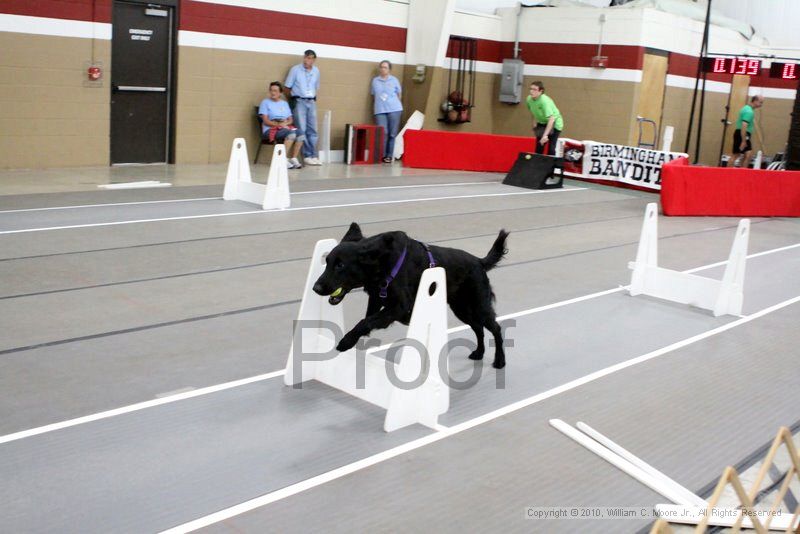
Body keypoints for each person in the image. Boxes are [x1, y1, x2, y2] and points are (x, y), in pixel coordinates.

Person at [284, 49, 321, 165]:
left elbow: (316, 87)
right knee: (302, 129)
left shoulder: (316, 71)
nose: (306, 60)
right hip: (299, 101)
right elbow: (287, 88)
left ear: (313, 60)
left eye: (309, 58)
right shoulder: (295, 70)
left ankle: (313, 154)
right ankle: (306, 155)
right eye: (305, 57)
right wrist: (293, 101)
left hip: (311, 101)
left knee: (313, 129)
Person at [258, 81, 305, 169]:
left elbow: (290, 119)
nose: (273, 93)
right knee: (291, 133)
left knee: (301, 134)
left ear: (280, 93)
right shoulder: (265, 102)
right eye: (271, 90)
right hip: (270, 129)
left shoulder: (284, 103)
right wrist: (279, 125)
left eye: (275, 91)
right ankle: (282, 159)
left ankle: (293, 158)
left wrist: (285, 124)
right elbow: (265, 121)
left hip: (284, 127)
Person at [370, 60, 403, 163]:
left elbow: (399, 94)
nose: (383, 69)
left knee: (392, 134)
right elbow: (373, 95)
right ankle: (381, 155)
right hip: (380, 110)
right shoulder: (375, 81)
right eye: (381, 67)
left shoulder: (394, 80)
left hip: (394, 109)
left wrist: (392, 103)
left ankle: (389, 155)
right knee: (383, 132)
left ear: (389, 70)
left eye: (385, 67)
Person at [526, 81, 563, 156]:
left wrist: (545, 135)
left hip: (555, 123)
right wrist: (534, 123)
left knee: (551, 149)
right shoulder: (529, 99)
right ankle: (538, 166)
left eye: (534, 89)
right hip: (542, 123)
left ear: (541, 91)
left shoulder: (544, 101)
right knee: (539, 146)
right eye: (531, 89)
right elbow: (533, 111)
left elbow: (551, 119)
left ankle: (552, 167)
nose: (531, 91)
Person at [732, 95, 764, 168]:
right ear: (755, 101)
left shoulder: (746, 108)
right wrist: (743, 141)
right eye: (760, 102)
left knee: (748, 154)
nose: (761, 105)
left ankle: (742, 172)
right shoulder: (749, 112)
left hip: (742, 134)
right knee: (736, 154)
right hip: (742, 133)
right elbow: (744, 125)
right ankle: (726, 174)